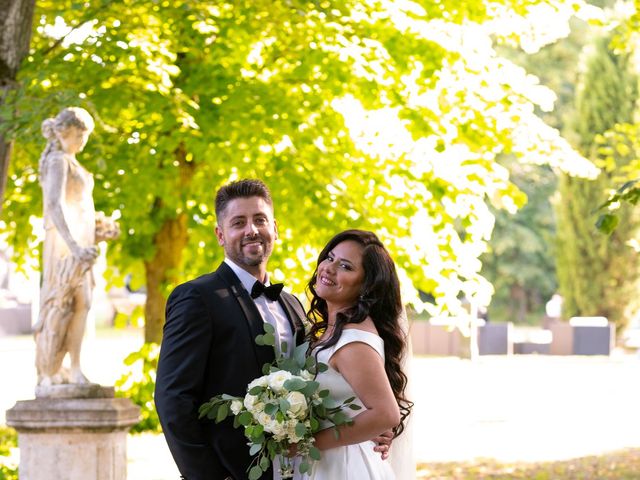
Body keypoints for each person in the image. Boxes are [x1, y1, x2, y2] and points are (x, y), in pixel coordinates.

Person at [305, 230, 413, 479]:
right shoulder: (332, 329)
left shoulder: (352, 340)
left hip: (344, 466)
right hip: (327, 461)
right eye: (330, 258)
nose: (329, 269)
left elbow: (386, 413)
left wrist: (311, 442)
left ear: (366, 286)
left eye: (345, 266)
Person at [34, 107, 118, 387]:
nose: (84, 140)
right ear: (66, 132)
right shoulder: (58, 161)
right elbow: (54, 206)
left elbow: (81, 207)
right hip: (65, 247)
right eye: (81, 134)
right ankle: (52, 370)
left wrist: (100, 228)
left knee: (84, 303)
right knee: (64, 304)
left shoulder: (73, 161)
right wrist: (74, 246)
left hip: (83, 245)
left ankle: (76, 367)